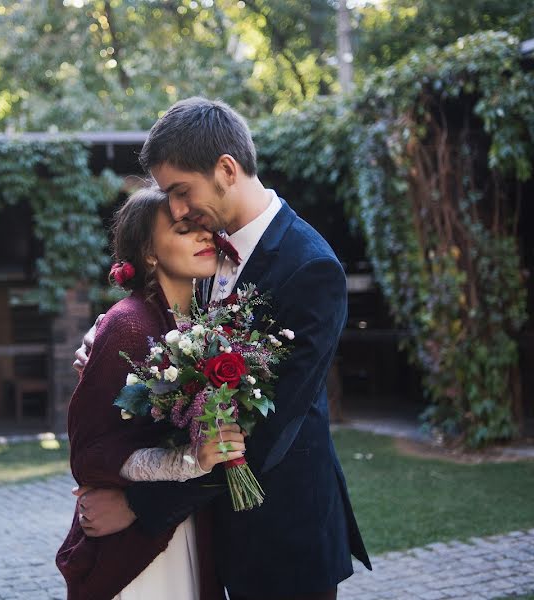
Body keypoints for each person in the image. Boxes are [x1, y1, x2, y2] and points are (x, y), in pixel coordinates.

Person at [72, 97, 372, 600]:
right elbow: (171, 329)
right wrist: (113, 343)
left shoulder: (311, 269)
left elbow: (268, 435)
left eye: (181, 191)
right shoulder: (209, 252)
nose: (177, 209)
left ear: (227, 169)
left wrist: (140, 506)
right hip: (213, 530)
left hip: (282, 533)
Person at [56, 185, 246, 600]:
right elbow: (92, 452)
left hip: (189, 526)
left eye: (205, 228)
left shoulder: (208, 320)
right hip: (140, 550)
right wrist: (189, 460)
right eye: (184, 229)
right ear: (149, 253)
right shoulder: (127, 324)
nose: (204, 237)